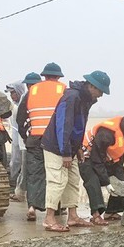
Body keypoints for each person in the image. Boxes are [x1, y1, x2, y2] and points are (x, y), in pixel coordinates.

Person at [41, 70, 110, 231]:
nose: (100, 95)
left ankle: (72, 216)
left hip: (69, 148)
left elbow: (78, 126)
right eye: (100, 91)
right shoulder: (72, 97)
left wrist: (77, 147)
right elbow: (63, 125)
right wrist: (65, 152)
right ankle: (49, 218)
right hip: (56, 147)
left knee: (72, 181)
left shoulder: (85, 99)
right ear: (92, 86)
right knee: (57, 181)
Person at [16, 64, 67, 221]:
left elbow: (20, 117)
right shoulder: (64, 89)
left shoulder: (33, 90)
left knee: (35, 174)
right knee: (55, 174)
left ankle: (32, 207)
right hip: (54, 141)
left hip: (35, 138)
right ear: (58, 77)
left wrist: (26, 136)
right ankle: (56, 208)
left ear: (44, 76)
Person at [79, 113, 124, 225]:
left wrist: (121, 180)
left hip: (103, 160)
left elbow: (119, 161)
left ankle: (111, 211)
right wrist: (106, 182)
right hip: (86, 157)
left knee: (121, 180)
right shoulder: (106, 134)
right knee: (93, 181)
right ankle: (96, 215)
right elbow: (96, 160)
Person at [5, 80, 28, 201]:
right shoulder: (15, 106)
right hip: (17, 139)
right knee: (15, 162)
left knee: (22, 165)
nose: (11, 96)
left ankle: (19, 190)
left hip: (23, 141)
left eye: (12, 93)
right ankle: (15, 187)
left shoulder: (22, 105)